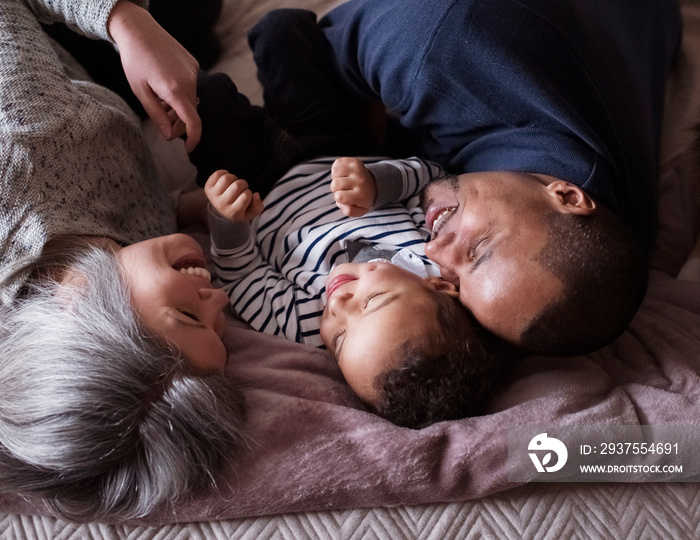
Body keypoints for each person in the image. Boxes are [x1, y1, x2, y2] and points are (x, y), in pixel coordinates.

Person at [247, 1, 683, 356]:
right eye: (477, 248)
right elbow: (311, 57)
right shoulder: (435, 42)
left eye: (455, 281)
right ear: (567, 196)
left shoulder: (606, 257)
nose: (434, 249)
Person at [0, 0, 246, 521]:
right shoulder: (115, 263)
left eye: (188, 313)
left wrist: (121, 19)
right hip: (86, 89)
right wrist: (192, 207)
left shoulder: (18, 145)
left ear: (77, 302)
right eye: (216, 327)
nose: (219, 298)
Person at [201, 155, 516, 429]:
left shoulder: (302, 324)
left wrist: (228, 223)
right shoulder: (435, 253)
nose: (338, 304)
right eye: (374, 300)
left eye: (338, 341)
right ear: (438, 285)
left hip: (257, 188)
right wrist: (376, 184)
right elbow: (432, 176)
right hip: (332, 150)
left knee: (211, 112)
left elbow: (243, 276)